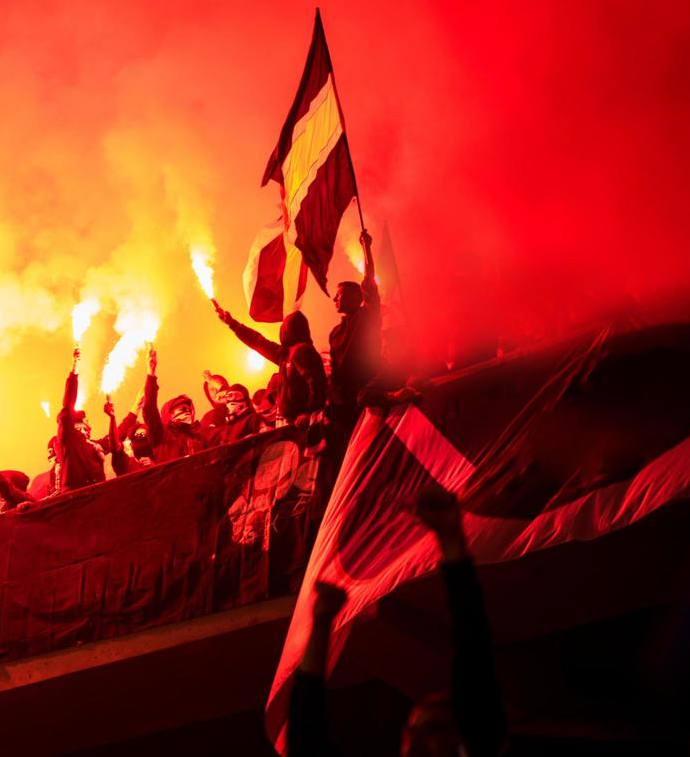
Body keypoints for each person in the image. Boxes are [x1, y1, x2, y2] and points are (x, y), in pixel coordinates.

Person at [288, 485, 506, 757]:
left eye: (433, 730)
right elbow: (306, 737)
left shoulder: (478, 741)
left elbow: (472, 649)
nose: (415, 742)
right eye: (411, 731)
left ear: (466, 737)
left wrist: (452, 541)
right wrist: (320, 623)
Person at [211, 304, 327, 422]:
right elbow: (258, 341)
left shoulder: (302, 351)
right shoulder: (285, 354)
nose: (282, 329)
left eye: (285, 325)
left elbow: (317, 382)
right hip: (293, 420)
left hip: (304, 420)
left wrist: (309, 413)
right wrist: (232, 323)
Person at [328, 229, 383, 409]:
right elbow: (335, 371)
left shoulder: (366, 316)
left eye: (339, 295)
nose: (335, 299)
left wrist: (366, 247)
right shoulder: (335, 333)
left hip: (371, 392)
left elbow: (369, 279)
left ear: (354, 296)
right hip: (346, 401)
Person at [55, 347, 109, 490]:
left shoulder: (95, 445)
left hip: (99, 496)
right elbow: (67, 407)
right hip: (76, 498)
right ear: (75, 426)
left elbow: (119, 434)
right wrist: (74, 370)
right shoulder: (68, 440)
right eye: (85, 423)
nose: (89, 425)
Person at [139, 347, 202, 462]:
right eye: (182, 409)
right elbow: (149, 409)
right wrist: (151, 372)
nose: (188, 412)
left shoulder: (200, 435)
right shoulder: (161, 435)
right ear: (170, 415)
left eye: (189, 409)